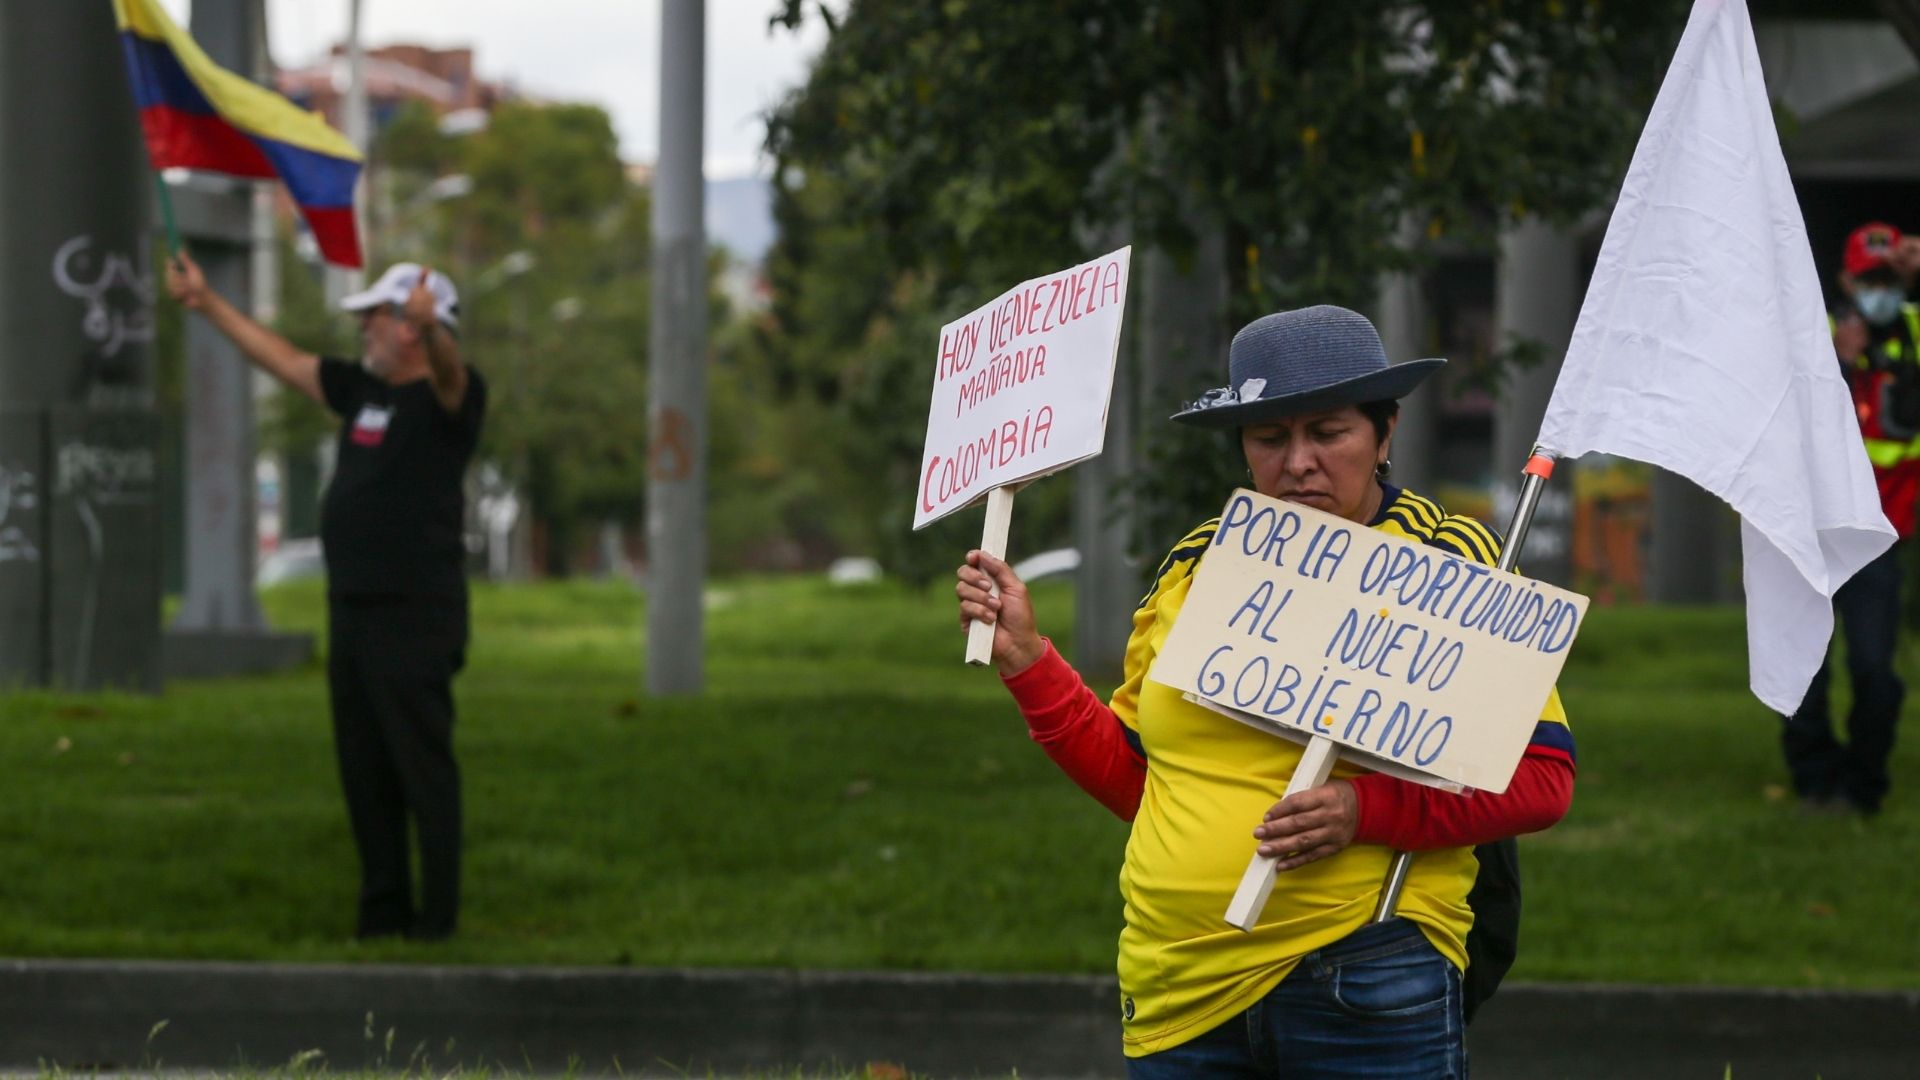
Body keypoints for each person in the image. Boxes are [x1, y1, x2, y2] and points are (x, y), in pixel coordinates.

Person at [956, 305, 1575, 1074]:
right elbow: (1142, 780)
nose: (1299, 462)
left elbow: (1545, 780)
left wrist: (1365, 811)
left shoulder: (1448, 561)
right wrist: (1027, 661)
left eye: (1328, 431)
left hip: (1365, 973)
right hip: (1176, 983)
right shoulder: (1194, 565)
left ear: (1384, 434)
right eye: (1270, 437)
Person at [166, 253, 487, 940]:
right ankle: (382, 912)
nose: (362, 330)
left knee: (419, 766)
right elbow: (283, 360)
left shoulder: (448, 401)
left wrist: (436, 334)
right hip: (352, 612)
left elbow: (453, 378)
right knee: (364, 766)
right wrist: (206, 303)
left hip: (415, 614)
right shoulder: (363, 393)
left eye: (374, 318)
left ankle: (437, 922)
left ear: (410, 327)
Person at [1782, 223, 1920, 817]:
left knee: (1873, 669)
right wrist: (1838, 361)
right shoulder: (1813, 339)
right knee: (1802, 669)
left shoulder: (1914, 333)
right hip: (1806, 532)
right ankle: (1814, 782)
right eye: (1870, 280)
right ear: (1845, 280)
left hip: (1878, 538)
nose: (1880, 291)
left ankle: (1864, 787)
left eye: (1890, 280)